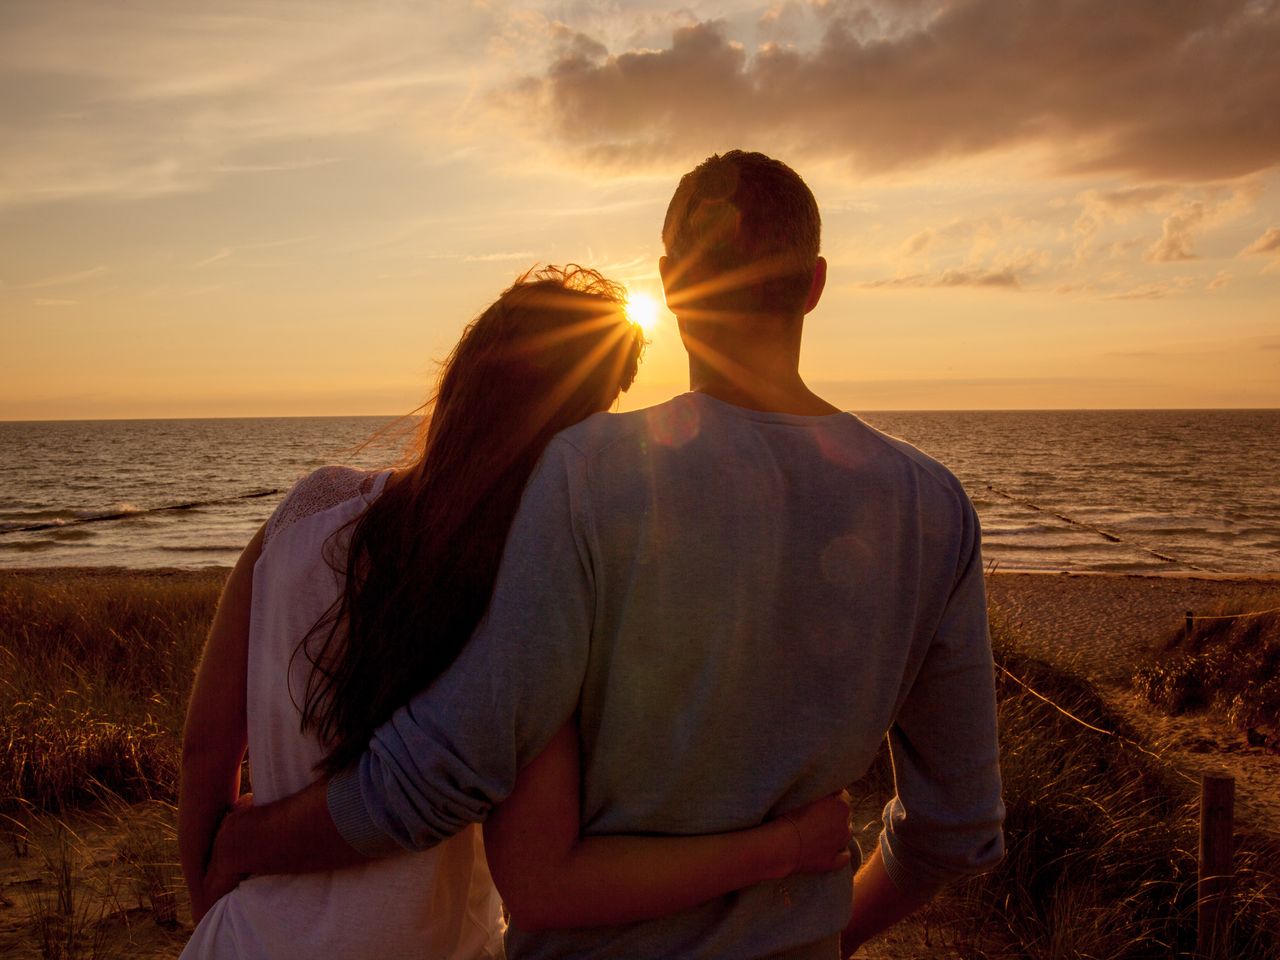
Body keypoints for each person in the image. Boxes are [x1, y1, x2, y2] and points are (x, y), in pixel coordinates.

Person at [204, 152, 1006, 958]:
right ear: (815, 285)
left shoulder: (595, 472)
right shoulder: (932, 506)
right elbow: (956, 826)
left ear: (671, 284)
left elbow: (451, 765)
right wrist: (824, 933)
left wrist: (250, 842)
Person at [178, 264, 855, 960]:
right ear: (581, 427)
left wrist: (216, 912)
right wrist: (787, 846)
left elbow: (206, 753)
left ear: (463, 377)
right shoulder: (533, 589)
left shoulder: (306, 511)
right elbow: (545, 874)